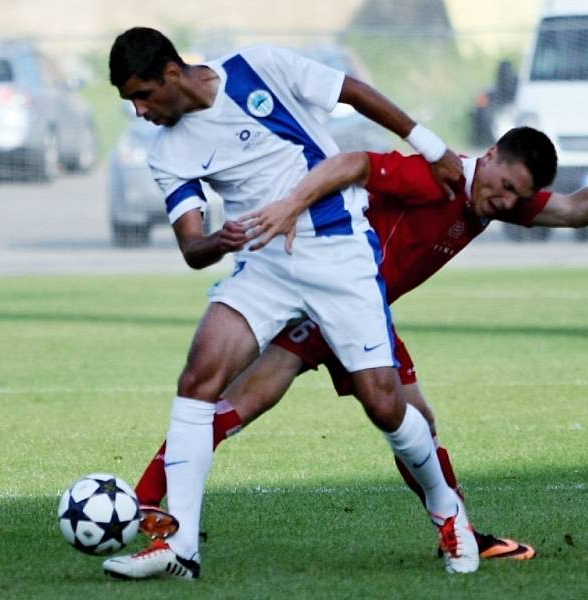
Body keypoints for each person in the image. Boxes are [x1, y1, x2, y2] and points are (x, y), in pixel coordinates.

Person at [130, 117, 588, 564]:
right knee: (243, 400)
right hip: (329, 290)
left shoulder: (492, 201)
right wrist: (296, 205)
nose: (503, 203)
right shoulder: (438, 176)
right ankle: (143, 504)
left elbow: (578, 210)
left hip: (362, 312)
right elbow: (352, 165)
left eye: (514, 198)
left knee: (407, 419)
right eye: (502, 188)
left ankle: (458, 530)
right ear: (490, 156)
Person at [103, 27, 482, 580]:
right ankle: (178, 547)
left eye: (143, 95)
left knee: (383, 403)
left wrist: (433, 146)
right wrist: (221, 239)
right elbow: (192, 246)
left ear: (172, 74)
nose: (140, 111)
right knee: (198, 379)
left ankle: (450, 514)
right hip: (264, 264)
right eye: (129, 102)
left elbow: (353, 91)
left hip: (336, 248)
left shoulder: (258, 68)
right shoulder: (167, 153)